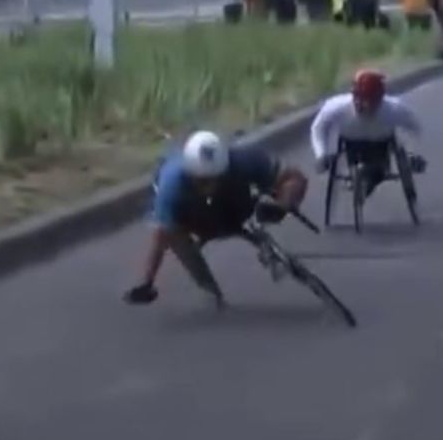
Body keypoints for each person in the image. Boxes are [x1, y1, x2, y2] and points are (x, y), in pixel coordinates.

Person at [125, 131, 309, 308]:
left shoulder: (243, 160)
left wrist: (284, 205)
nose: (209, 186)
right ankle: (208, 288)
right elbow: (160, 238)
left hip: (235, 206)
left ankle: (267, 243)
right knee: (171, 233)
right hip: (196, 219)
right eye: (203, 181)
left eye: (215, 178)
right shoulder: (171, 184)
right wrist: (147, 282)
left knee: (273, 187)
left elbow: (296, 178)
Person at [310, 69, 424, 199]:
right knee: (361, 168)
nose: (366, 106)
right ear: (354, 96)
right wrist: (321, 154)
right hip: (351, 143)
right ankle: (363, 178)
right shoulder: (336, 107)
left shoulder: (394, 108)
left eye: (371, 101)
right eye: (361, 100)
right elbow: (318, 128)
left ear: (380, 99)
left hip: (381, 145)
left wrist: (413, 154)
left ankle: (370, 178)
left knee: (377, 171)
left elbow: (415, 127)